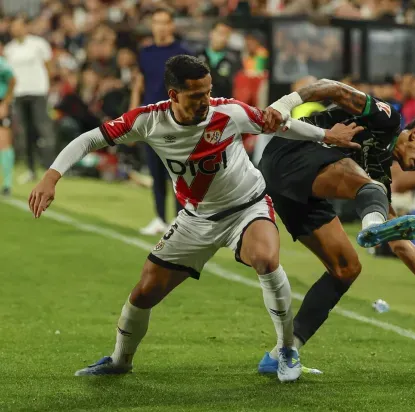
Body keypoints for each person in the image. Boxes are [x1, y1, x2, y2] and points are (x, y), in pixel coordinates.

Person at [28, 56, 364, 382]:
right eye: (196, 95)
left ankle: (287, 349)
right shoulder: (148, 120)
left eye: (208, 91)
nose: (205, 100)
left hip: (247, 207)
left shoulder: (228, 112)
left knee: (265, 258)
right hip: (196, 218)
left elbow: (278, 124)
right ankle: (119, 360)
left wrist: (326, 137)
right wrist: (52, 176)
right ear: (173, 95)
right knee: (144, 293)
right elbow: (91, 138)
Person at [256, 78, 415, 373]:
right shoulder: (386, 118)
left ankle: (283, 353)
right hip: (290, 152)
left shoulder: (380, 174)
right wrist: (285, 104)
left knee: (346, 268)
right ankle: (371, 225)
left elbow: (401, 244)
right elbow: (332, 87)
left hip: (295, 189)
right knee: (372, 190)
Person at [130, 7, 195, 236]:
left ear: (172, 25)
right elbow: (139, 84)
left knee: (177, 172)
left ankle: (180, 220)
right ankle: (159, 218)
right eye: (156, 22)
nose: (160, 27)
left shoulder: (182, 54)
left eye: (164, 22)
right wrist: (133, 114)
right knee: (156, 171)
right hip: (151, 119)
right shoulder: (145, 53)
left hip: (175, 119)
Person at [4, 15, 56, 183]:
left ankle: (51, 169)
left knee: (44, 130)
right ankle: (31, 169)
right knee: (25, 133)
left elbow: (49, 66)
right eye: (13, 26)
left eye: (18, 25)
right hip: (19, 94)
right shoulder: (10, 49)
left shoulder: (39, 44)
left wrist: (48, 86)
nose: (15, 29)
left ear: (26, 27)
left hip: (38, 92)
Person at [0, 44, 15, 196]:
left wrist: (5, 102)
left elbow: (12, 80)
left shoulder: (2, 64)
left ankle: (7, 184)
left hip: (1, 103)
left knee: (4, 142)